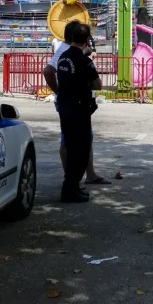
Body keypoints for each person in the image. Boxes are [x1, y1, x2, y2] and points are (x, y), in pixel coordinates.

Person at [43, 22, 110, 185]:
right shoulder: (65, 51)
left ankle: (89, 174)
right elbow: (48, 71)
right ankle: (71, 180)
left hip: (77, 102)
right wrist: (59, 91)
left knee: (85, 138)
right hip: (71, 103)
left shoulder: (74, 52)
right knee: (69, 141)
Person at [54, 23, 103, 203]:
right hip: (79, 109)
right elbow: (98, 85)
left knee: (71, 146)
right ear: (86, 40)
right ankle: (70, 189)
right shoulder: (84, 61)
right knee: (81, 150)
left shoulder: (64, 57)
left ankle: (71, 186)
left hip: (65, 106)